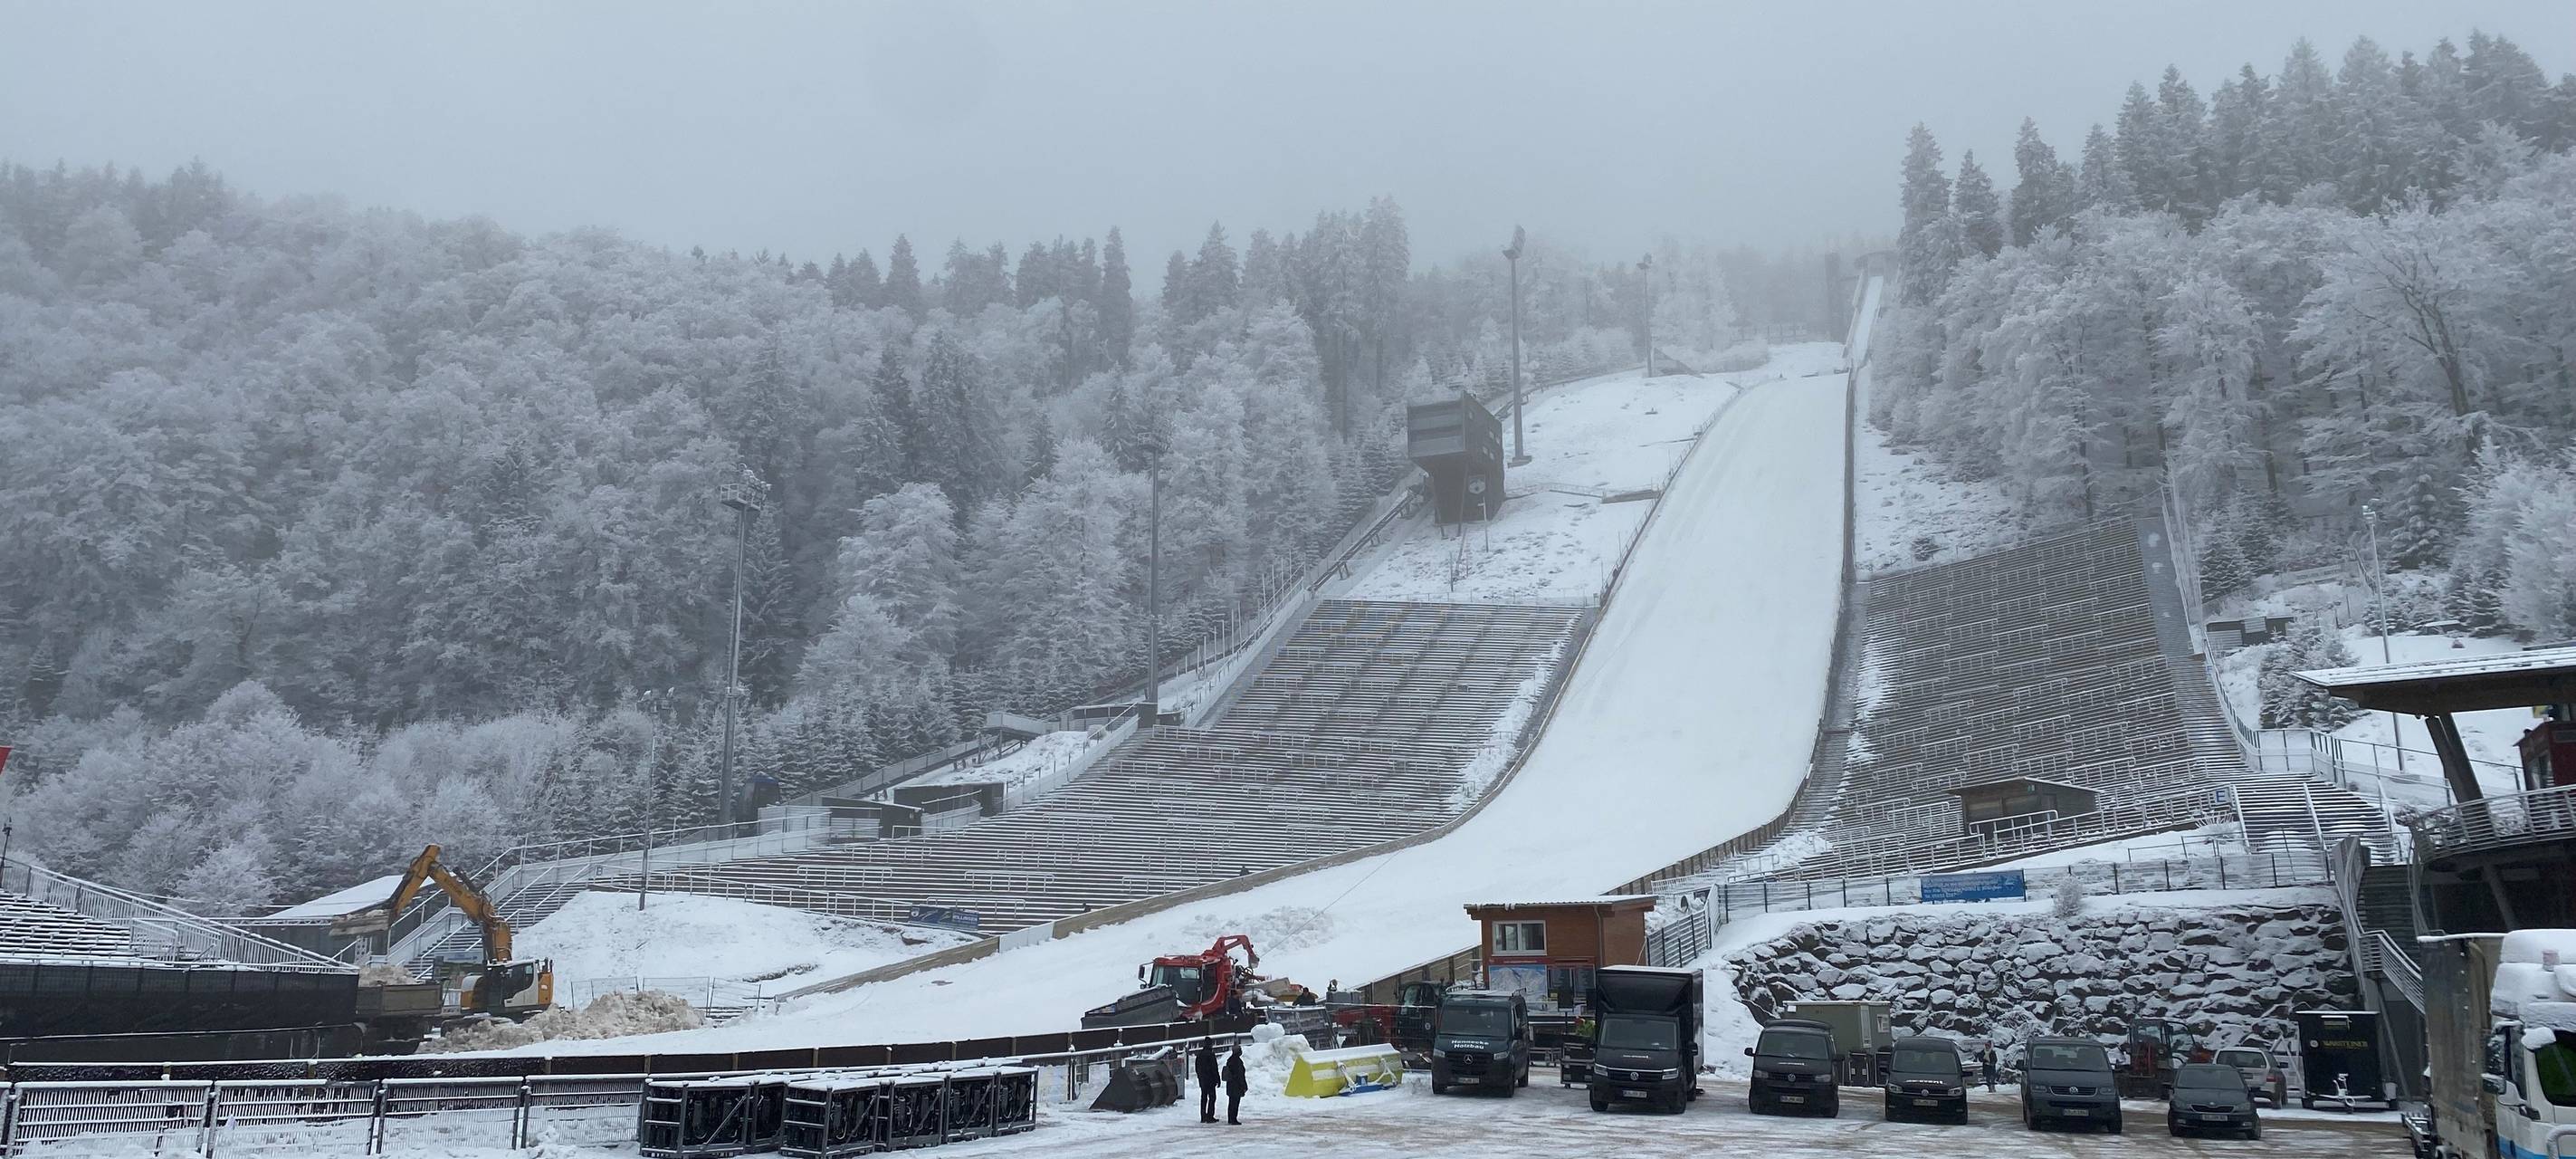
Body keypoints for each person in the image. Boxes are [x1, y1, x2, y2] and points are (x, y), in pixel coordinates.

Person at [1195, 1037, 1221, 1123]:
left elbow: (1197, 1068)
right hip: (1210, 1080)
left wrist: (1200, 1077)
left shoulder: (1200, 1054)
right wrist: (1217, 1079)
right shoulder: (1210, 1054)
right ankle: (1210, 1116)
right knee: (1212, 1098)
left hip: (1203, 1080)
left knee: (1204, 1098)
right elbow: (1214, 1068)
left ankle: (1203, 1116)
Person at [1224, 1042, 1249, 1125]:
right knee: (1235, 1103)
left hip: (1231, 1084)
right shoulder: (1237, 1062)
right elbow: (1240, 1075)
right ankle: (1233, 1118)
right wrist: (1243, 1085)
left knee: (1231, 1102)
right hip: (1236, 1085)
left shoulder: (1230, 1060)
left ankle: (1231, 1118)